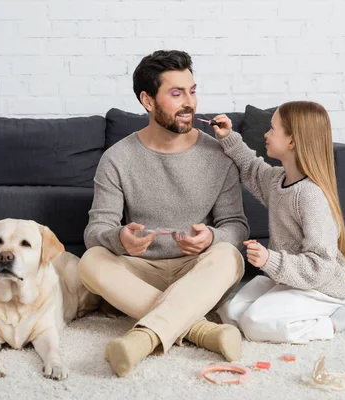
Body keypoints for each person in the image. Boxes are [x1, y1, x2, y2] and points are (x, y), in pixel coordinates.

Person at [78, 50, 249, 376]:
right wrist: (119, 239)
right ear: (147, 100)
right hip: (140, 269)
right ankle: (201, 330)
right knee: (90, 262)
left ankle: (142, 339)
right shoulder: (117, 158)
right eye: (176, 93)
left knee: (230, 255)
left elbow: (236, 225)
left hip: (197, 270)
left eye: (192, 90)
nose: (190, 102)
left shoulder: (219, 155)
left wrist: (212, 236)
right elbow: (96, 228)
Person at [213, 101, 345, 344]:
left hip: (320, 288)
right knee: (230, 312)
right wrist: (228, 136)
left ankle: (335, 320)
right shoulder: (278, 180)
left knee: (254, 323)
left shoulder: (311, 196)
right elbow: (251, 168)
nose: (266, 134)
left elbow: (321, 265)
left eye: (272, 129)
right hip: (289, 280)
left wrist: (269, 259)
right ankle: (287, 311)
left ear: (291, 141)